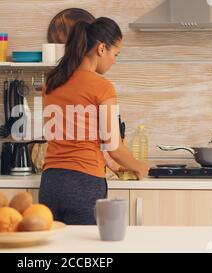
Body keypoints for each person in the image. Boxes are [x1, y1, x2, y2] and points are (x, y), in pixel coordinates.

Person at [40, 17, 149, 225]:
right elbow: (114, 146)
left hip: (50, 183)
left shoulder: (52, 83)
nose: (114, 61)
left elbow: (72, 134)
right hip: (83, 183)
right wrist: (139, 166)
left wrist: (109, 163)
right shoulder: (101, 87)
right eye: (115, 54)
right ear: (101, 49)